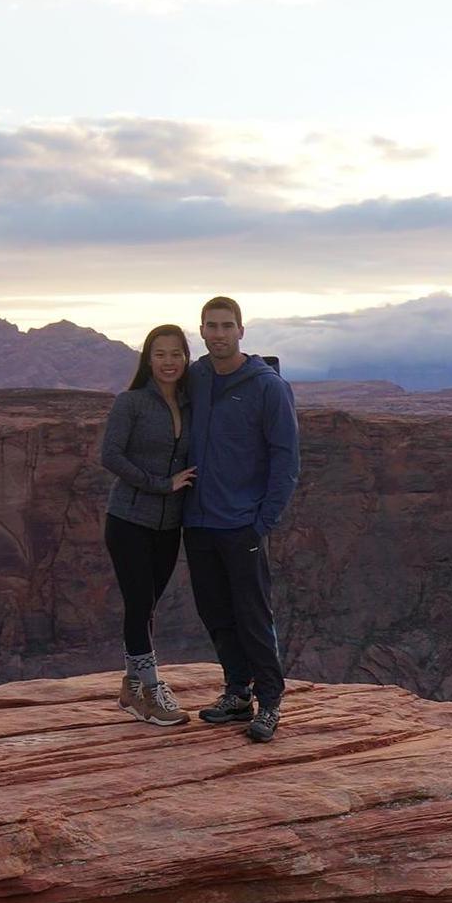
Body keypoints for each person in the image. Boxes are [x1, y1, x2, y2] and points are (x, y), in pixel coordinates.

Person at [181, 295, 300, 742]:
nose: (218, 334)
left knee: (252, 612)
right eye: (210, 326)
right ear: (202, 331)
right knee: (215, 610)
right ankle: (236, 692)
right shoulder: (197, 378)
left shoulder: (267, 387)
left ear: (241, 331)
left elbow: (285, 459)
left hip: (242, 523)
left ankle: (270, 702)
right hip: (198, 521)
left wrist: (262, 521)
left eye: (226, 326)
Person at [100, 324, 197, 726]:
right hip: (128, 519)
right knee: (139, 603)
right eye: (160, 354)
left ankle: (131, 686)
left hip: (169, 524)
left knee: (148, 605)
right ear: (148, 359)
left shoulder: (193, 403)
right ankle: (153, 691)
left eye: (176, 353)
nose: (169, 361)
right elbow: (110, 455)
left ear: (186, 358)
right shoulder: (132, 403)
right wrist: (162, 484)